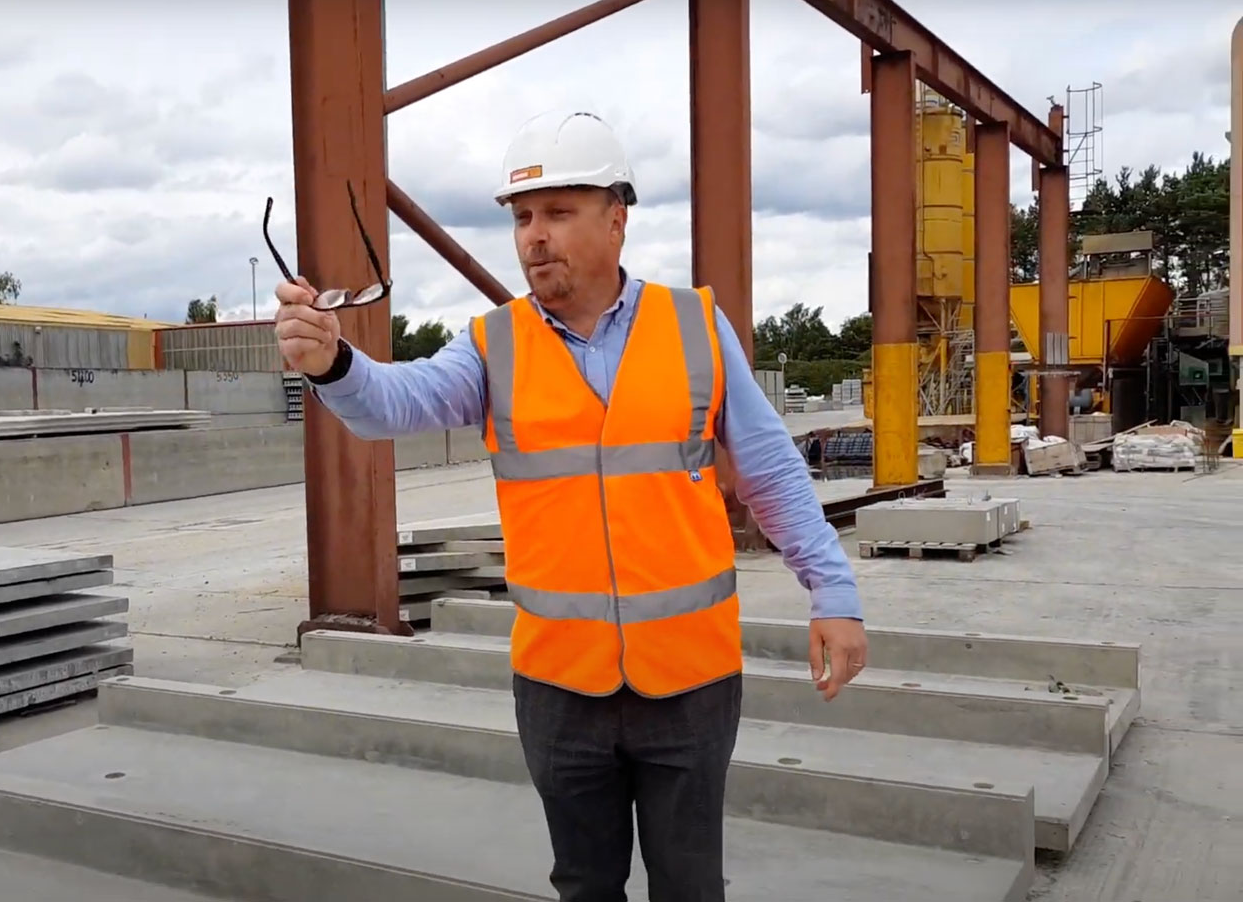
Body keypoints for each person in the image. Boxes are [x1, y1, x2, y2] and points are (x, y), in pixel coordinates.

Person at [272, 109, 869, 902]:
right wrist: (334, 361)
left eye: (557, 213)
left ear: (617, 217)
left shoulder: (695, 326)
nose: (533, 237)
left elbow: (771, 471)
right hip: (560, 688)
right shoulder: (494, 345)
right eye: (522, 218)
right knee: (585, 886)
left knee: (691, 885)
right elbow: (395, 402)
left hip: (689, 682)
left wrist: (833, 591)